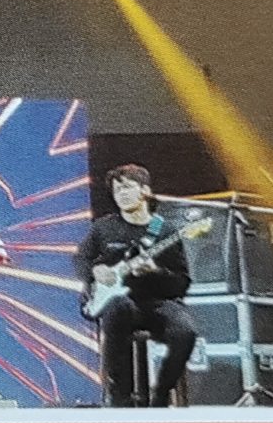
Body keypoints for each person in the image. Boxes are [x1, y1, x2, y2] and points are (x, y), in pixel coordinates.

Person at [74, 164, 198, 407]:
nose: (121, 194)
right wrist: (95, 271)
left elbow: (181, 283)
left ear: (145, 191)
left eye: (127, 187)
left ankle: (161, 395)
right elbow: (81, 259)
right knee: (117, 307)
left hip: (157, 303)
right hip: (120, 303)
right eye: (117, 190)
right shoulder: (104, 228)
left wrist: (155, 272)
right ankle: (121, 398)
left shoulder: (165, 231)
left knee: (186, 331)